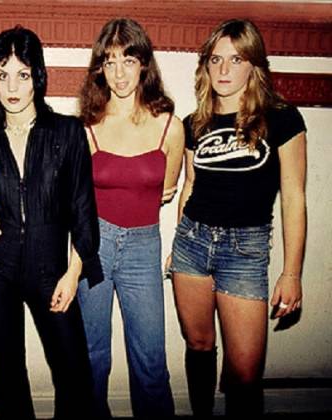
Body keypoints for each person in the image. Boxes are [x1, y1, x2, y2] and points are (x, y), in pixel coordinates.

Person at [171, 18, 307, 417]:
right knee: (198, 345)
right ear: (206, 65)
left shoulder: (282, 118)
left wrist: (292, 273)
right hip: (192, 244)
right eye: (216, 59)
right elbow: (189, 185)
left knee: (245, 373)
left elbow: (294, 198)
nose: (224, 69)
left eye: (236, 59)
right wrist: (178, 240)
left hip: (244, 250)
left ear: (254, 65)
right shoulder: (194, 123)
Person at [0, 26, 102, 419]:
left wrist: (74, 273)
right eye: (2, 75)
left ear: (38, 77)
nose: (12, 87)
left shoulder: (67, 132)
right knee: (7, 370)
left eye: (22, 74)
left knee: (74, 371)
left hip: (51, 269)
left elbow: (83, 208)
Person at [76, 18, 184, 420]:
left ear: (144, 64)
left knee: (151, 360)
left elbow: (168, 191)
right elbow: (75, 202)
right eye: (110, 61)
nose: (119, 73)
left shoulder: (170, 127)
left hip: (143, 246)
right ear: (100, 68)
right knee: (92, 356)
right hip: (94, 244)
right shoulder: (86, 127)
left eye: (128, 60)